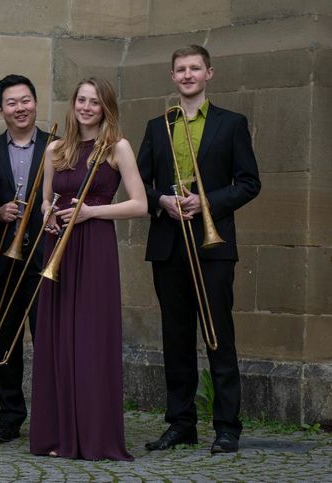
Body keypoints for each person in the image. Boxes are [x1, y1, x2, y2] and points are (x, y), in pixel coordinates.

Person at [139, 45, 261, 454]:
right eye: (180, 70)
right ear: (172, 77)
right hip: (169, 244)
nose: (187, 75)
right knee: (175, 338)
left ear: (209, 73)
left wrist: (206, 203)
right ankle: (181, 423)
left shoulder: (232, 124)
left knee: (218, 336)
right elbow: (140, 183)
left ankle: (227, 426)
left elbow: (248, 182)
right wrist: (162, 202)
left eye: (195, 68)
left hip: (213, 245)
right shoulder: (158, 126)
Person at [28, 77, 146, 461]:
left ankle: (93, 437)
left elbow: (139, 204)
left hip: (94, 244)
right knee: (57, 338)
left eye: (95, 101)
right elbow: (45, 200)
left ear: (105, 106)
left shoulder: (118, 147)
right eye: (81, 99)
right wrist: (47, 214)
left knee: (90, 340)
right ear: (73, 103)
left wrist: (91, 212)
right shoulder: (56, 149)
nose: (86, 107)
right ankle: (58, 436)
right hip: (57, 246)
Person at [0, 74, 54, 444]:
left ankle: (50, 415)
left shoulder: (59, 146)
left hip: (45, 260)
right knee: (4, 340)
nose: (20, 108)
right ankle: (10, 416)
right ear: (0, 110)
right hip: (3, 260)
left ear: (36, 103)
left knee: (49, 340)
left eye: (26, 100)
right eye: (11, 103)